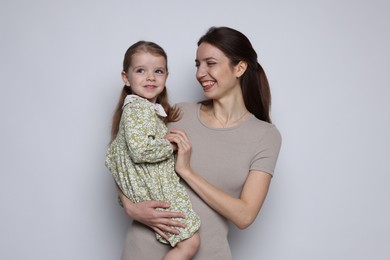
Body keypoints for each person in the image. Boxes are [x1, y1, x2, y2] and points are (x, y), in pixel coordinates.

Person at [117, 27, 282, 260]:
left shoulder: (265, 135)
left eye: (210, 63)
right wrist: (130, 207)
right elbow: (125, 156)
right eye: (197, 64)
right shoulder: (178, 114)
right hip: (143, 251)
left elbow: (244, 215)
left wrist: (186, 171)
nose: (200, 73)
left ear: (240, 68)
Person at [105, 41, 201, 260]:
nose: (150, 77)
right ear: (125, 78)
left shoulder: (150, 111)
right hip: (154, 191)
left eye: (158, 71)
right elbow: (139, 152)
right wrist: (170, 145)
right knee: (190, 242)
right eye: (141, 71)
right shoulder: (136, 108)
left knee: (189, 242)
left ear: (167, 76)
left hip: (150, 189)